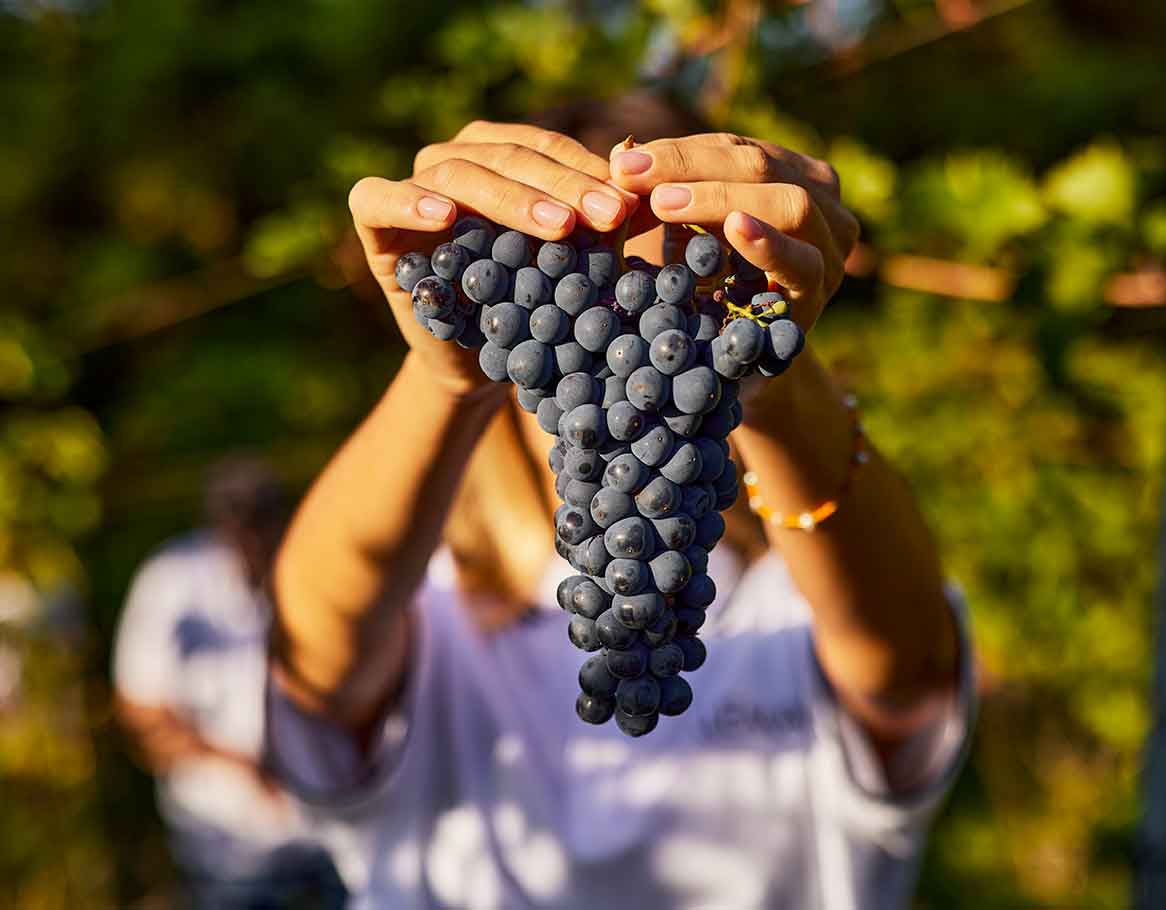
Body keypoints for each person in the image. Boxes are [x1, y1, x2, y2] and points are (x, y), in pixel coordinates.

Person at [266, 99, 976, 909]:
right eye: (584, 279)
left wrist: (772, 372)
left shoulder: (788, 603)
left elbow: (908, 677)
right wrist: (440, 376)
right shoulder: (432, 615)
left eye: (661, 286)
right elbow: (313, 661)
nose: (625, 322)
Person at [113, 457, 346, 909]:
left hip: (328, 836)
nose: (253, 537)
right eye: (240, 522)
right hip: (226, 849)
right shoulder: (172, 580)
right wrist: (242, 767)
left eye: (262, 521)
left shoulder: (306, 564)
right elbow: (140, 708)